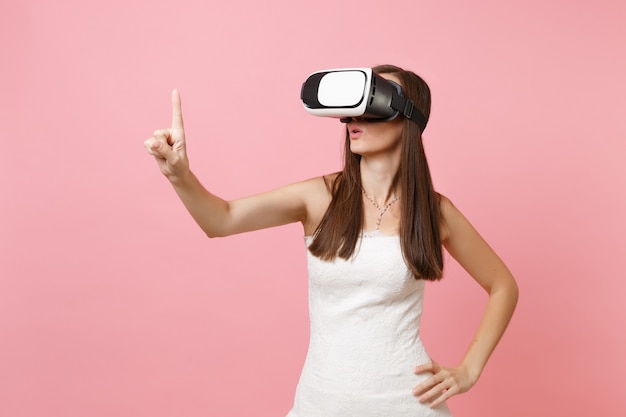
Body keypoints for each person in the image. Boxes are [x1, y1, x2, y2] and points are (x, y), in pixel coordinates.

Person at [144, 64, 519, 416]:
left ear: (409, 117)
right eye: (350, 109)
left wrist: (469, 370)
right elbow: (221, 219)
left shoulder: (434, 212)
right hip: (322, 402)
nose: (353, 119)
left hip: (408, 403)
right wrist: (179, 175)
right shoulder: (319, 196)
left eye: (371, 104)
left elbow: (503, 285)